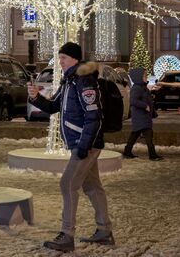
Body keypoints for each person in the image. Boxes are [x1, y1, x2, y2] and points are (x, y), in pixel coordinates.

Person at [27, 42, 114, 252]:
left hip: (85, 144)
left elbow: (94, 116)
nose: (60, 61)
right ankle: (104, 231)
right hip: (83, 143)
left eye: (63, 58)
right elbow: (53, 106)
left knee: (67, 184)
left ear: (74, 59)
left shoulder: (84, 81)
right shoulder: (69, 81)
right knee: (92, 187)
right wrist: (35, 97)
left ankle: (67, 235)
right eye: (59, 58)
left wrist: (83, 146)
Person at [123, 67, 163, 161]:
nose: (146, 77)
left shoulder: (142, 87)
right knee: (148, 135)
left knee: (135, 134)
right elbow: (133, 101)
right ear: (138, 77)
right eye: (144, 75)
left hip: (143, 116)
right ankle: (152, 155)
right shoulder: (136, 88)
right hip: (140, 116)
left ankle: (127, 151)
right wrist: (145, 106)